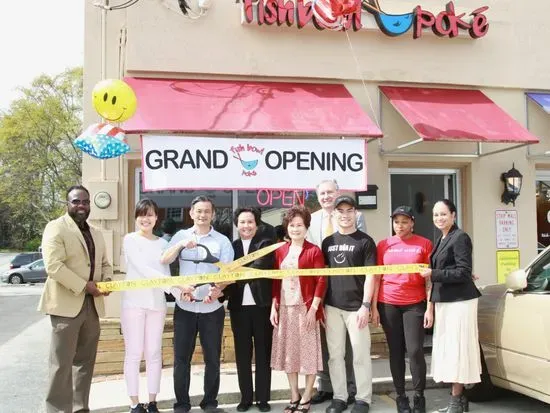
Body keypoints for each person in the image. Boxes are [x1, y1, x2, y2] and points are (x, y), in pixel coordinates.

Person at [38, 185, 112, 413]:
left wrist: (107, 281)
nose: (82, 206)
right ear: (67, 204)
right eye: (76, 201)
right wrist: (84, 286)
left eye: (85, 202)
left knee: (85, 364)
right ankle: (58, 410)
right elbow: (53, 266)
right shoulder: (56, 228)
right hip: (66, 306)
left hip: (92, 306)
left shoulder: (97, 233)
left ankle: (80, 408)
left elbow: (104, 265)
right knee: (61, 365)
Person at [161, 195, 234, 413]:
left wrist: (218, 289)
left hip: (212, 309)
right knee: (181, 359)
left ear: (213, 214)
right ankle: (181, 404)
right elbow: (165, 260)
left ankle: (210, 403)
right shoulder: (180, 236)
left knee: (212, 359)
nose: (202, 215)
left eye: (207, 211)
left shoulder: (222, 241)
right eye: (198, 211)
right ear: (191, 213)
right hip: (185, 309)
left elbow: (229, 273)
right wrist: (182, 244)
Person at [419, 200, 481, 413]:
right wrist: (431, 306)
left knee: (458, 352)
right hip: (446, 301)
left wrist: (433, 274)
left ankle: (456, 402)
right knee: (450, 352)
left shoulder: (460, 237)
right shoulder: (442, 238)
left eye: (443, 214)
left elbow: (463, 271)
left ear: (453, 215)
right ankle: (459, 400)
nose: (439, 218)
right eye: (436, 215)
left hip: (460, 302)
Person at [371, 206, 433, 413]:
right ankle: (400, 396)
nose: (400, 226)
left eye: (404, 222)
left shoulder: (424, 244)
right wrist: (373, 307)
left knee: (415, 351)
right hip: (388, 303)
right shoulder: (384, 245)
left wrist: (429, 307)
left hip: (415, 303)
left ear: (412, 223)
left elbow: (429, 279)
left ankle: (419, 396)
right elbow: (377, 276)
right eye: (396, 222)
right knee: (395, 351)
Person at [307, 179, 364, 405]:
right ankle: (327, 386)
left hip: (348, 288)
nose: (326, 197)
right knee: (324, 340)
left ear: (337, 192)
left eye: (330, 192)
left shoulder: (357, 217)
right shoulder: (311, 220)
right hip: (321, 287)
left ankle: (350, 388)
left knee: (348, 343)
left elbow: (362, 251)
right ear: (318, 196)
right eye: (322, 193)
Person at [321, 195, 377, 413]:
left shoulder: (365, 241)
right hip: (332, 307)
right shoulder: (328, 242)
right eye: (340, 211)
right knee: (335, 356)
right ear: (334, 214)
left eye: (349, 211)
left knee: (360, 354)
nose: (345, 215)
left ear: (356, 213)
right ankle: (340, 397)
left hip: (356, 308)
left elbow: (371, 276)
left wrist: (365, 305)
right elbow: (322, 277)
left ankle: (363, 399)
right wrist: (322, 307)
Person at [270, 205, 327, 413]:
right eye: (292, 225)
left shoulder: (314, 250)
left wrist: (314, 309)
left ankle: (307, 395)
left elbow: (321, 280)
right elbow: (275, 281)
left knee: (309, 355)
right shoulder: (280, 250)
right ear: (287, 228)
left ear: (306, 227)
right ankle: (294, 394)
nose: (295, 229)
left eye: (300, 225)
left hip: (306, 308)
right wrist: (274, 306)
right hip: (285, 308)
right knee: (290, 355)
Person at [121, 199, 174, 413]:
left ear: (156, 218)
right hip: (133, 303)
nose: (146, 218)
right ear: (136, 218)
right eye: (142, 214)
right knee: (134, 353)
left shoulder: (162, 244)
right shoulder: (130, 240)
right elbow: (142, 269)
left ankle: (152, 401)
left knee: (153, 352)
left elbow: (165, 275)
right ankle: (134, 403)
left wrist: (182, 291)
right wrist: (174, 285)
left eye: (150, 214)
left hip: (156, 304)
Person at [224, 207, 275, 413]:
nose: (246, 226)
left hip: (261, 307)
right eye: (242, 222)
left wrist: (237, 272)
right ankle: (246, 398)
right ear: (237, 225)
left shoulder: (265, 244)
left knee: (263, 354)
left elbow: (261, 267)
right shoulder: (231, 247)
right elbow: (225, 274)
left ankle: (263, 398)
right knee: (242, 355)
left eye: (250, 222)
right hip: (238, 309)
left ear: (257, 224)